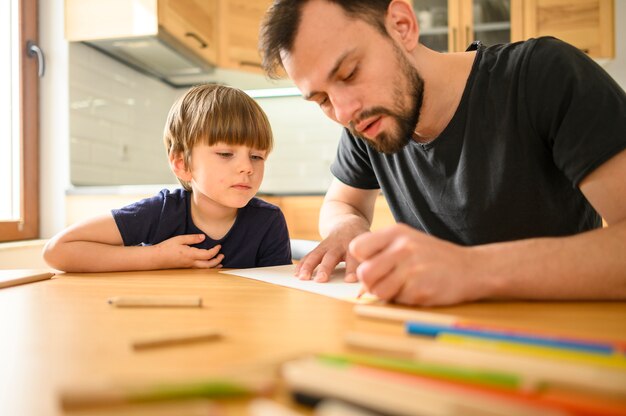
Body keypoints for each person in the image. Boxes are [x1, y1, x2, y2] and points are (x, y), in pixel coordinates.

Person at [259, 0, 626, 305]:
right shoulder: (367, 122)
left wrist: (472, 269)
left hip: (562, 338)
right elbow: (343, 203)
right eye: (322, 99)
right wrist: (347, 227)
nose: (342, 112)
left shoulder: (543, 75)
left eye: (351, 72)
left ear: (402, 26)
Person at [44, 84, 292, 272]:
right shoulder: (161, 212)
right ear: (181, 163)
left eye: (257, 157)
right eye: (226, 153)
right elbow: (58, 251)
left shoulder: (268, 222)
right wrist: (157, 256)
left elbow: (278, 295)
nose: (247, 167)